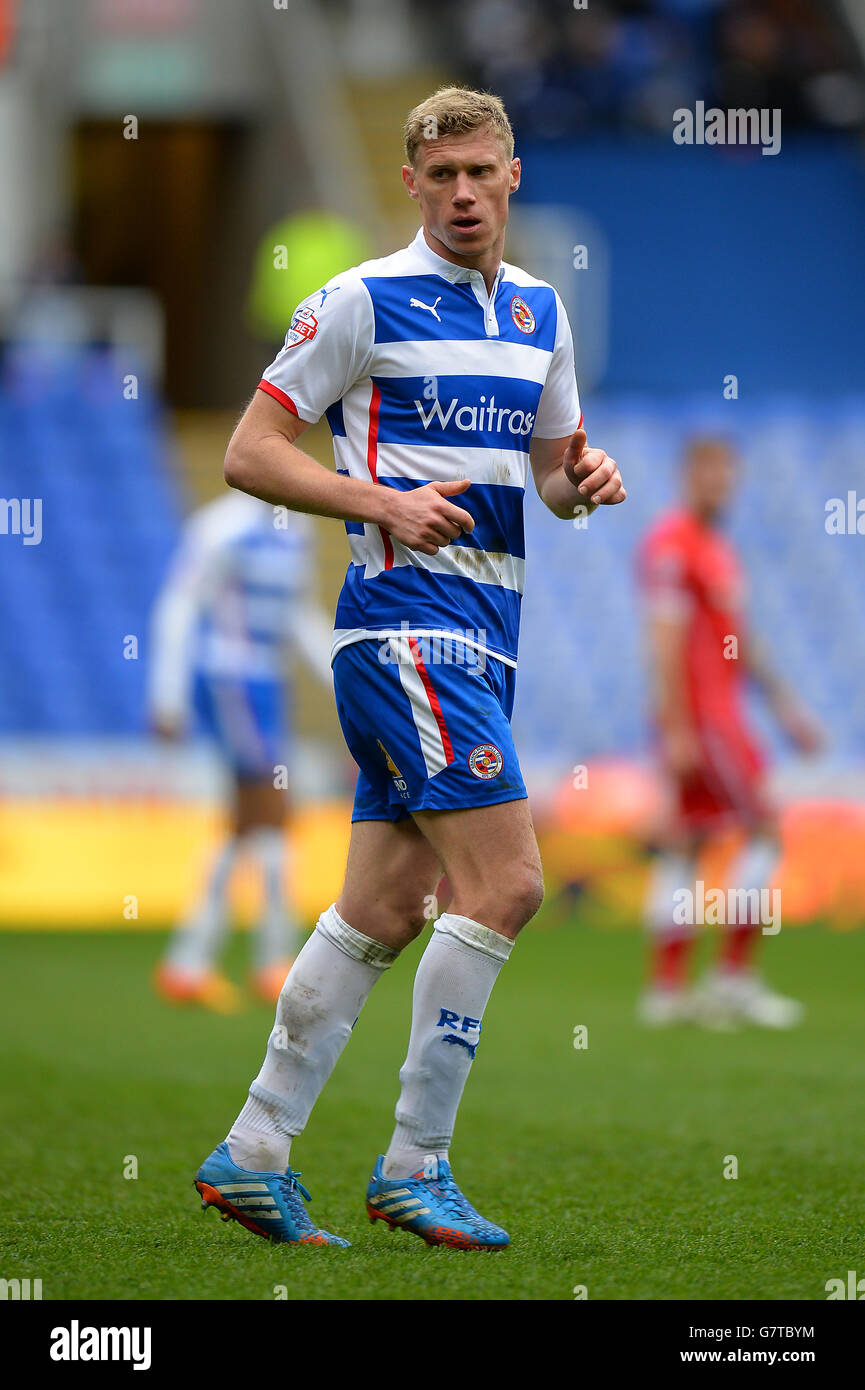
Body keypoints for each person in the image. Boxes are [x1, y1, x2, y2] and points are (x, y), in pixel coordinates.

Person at [192, 86, 625, 1249]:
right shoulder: (357, 299)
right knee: (510, 884)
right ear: (411, 184)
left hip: (486, 634)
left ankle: (253, 1147)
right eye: (442, 177)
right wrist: (378, 498)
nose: (465, 192)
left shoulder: (541, 313)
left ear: (513, 175)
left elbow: (546, 473)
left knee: (383, 904)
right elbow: (249, 450)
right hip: (403, 628)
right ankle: (413, 1164)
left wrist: (579, 487)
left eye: (482, 171)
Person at [638, 435, 821, 1030]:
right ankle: (732, 978)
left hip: (720, 714)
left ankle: (665, 992)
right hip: (705, 720)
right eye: (711, 472)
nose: (722, 484)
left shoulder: (717, 549)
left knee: (691, 843)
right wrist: (678, 727)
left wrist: (786, 707)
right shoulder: (672, 544)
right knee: (765, 830)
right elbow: (663, 639)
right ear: (688, 475)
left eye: (728, 473)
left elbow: (739, 640)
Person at [148, 489, 333, 1012]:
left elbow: (300, 614)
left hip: (268, 683)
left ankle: (188, 964)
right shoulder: (220, 527)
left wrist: (342, 679)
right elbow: (180, 603)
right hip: (231, 678)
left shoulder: (296, 530)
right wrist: (168, 696)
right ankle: (274, 964)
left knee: (247, 822)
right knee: (274, 815)